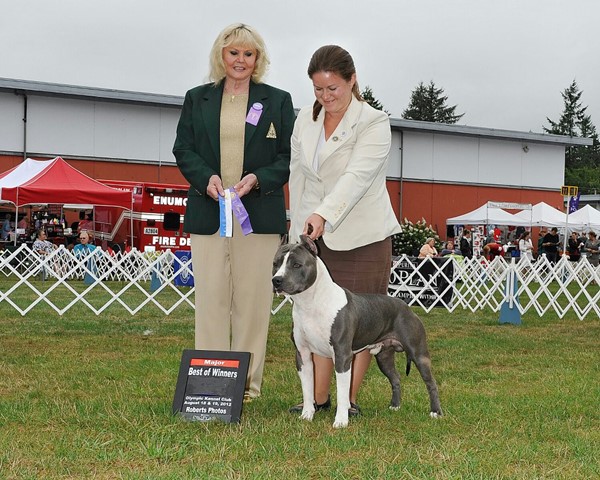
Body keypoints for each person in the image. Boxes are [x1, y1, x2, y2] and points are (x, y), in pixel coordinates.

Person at [173, 23, 295, 401]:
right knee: (210, 297)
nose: (240, 60)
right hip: (208, 213)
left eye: (248, 54)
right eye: (233, 53)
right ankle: (210, 381)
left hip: (257, 216)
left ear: (257, 59)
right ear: (221, 56)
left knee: (254, 300)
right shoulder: (197, 98)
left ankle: (246, 385)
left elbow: (287, 158)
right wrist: (205, 178)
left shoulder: (277, 100)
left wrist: (257, 178)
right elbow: (184, 149)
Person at [288, 44, 401, 416]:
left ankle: (347, 402)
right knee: (314, 319)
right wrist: (297, 231)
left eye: (333, 89)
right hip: (313, 236)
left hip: (362, 237)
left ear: (352, 81)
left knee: (357, 323)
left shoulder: (374, 122)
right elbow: (299, 176)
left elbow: (356, 179)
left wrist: (323, 214)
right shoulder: (305, 119)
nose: (325, 97)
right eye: (318, 89)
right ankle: (318, 400)